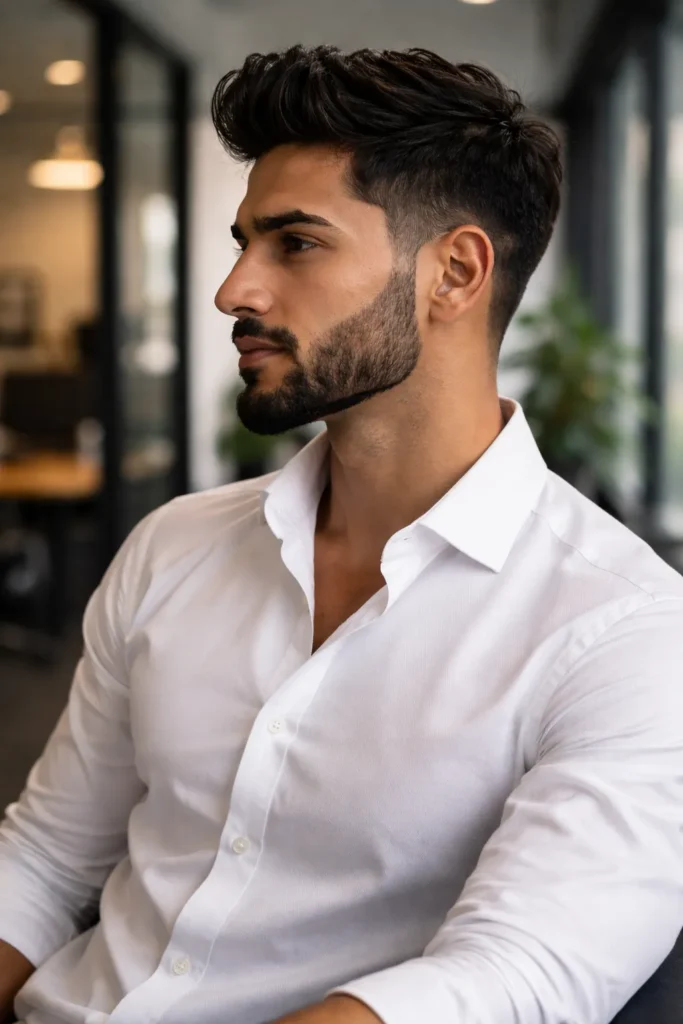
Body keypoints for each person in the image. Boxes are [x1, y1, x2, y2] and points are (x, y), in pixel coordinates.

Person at [1, 43, 683, 1024]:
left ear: (453, 271)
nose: (233, 290)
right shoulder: (172, 545)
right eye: (243, 241)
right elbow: (47, 855)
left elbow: (517, 975)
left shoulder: (625, 629)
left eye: (294, 243)